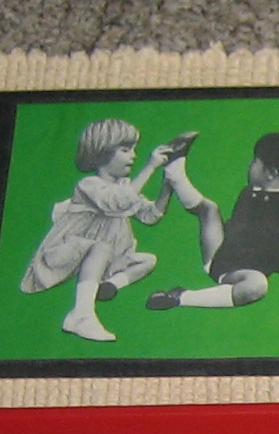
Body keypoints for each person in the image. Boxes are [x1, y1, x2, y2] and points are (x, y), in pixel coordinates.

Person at [17, 118, 185, 342]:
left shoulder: (124, 186)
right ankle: (82, 315)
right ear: (101, 152)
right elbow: (117, 202)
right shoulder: (89, 185)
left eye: (133, 149)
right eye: (125, 150)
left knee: (147, 260)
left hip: (103, 256)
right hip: (70, 250)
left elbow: (150, 216)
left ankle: (108, 286)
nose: (134, 156)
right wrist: (150, 167)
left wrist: (166, 188)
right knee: (102, 248)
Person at [149, 131, 279, 312]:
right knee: (209, 209)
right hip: (221, 255)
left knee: (257, 284)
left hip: (243, 272)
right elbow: (235, 227)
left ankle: (181, 297)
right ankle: (175, 173)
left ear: (271, 173)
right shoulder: (249, 192)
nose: (250, 165)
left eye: (255, 161)